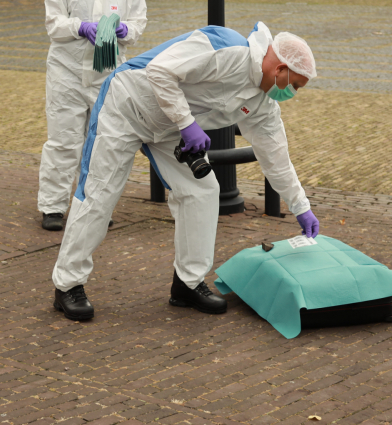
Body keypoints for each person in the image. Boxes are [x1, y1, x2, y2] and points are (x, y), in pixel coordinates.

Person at [51, 22, 321, 321]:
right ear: (280, 68)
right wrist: (187, 123)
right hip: (126, 105)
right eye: (294, 85)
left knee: (202, 191)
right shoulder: (226, 47)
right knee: (99, 192)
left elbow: (276, 157)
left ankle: (187, 284)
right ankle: (68, 285)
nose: (292, 93)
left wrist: (301, 207)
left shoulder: (263, 104)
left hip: (171, 128)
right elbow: (160, 71)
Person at [38, 0, 148, 231]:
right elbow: (53, 21)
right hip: (67, 71)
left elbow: (139, 21)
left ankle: (95, 206)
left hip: (107, 73)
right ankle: (53, 206)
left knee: (102, 143)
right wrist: (79, 26)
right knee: (64, 139)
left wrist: (125, 29)